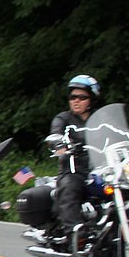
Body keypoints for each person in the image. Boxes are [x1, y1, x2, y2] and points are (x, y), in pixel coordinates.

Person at [49, 74, 100, 242]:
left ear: (91, 99)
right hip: (73, 170)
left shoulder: (100, 120)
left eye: (82, 97)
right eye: (72, 97)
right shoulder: (63, 119)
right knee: (70, 187)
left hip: (100, 170)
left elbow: (121, 133)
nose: (76, 101)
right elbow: (56, 133)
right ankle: (76, 235)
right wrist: (59, 144)